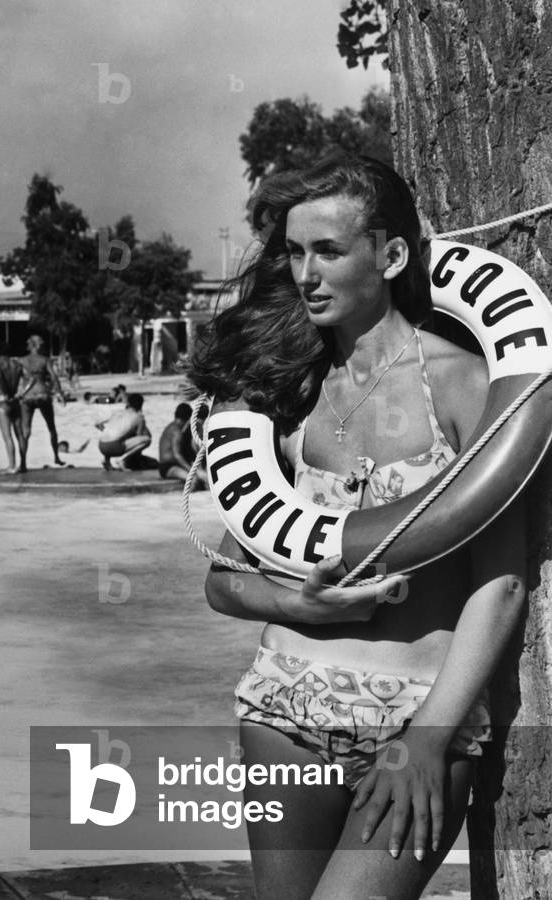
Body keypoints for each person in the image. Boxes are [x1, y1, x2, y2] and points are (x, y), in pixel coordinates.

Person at [185, 153, 525, 900]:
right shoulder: (289, 392)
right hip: (282, 705)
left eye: (328, 251)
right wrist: (292, 604)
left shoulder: (462, 384)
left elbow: (499, 586)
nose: (304, 273)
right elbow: (224, 581)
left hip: (416, 715)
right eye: (295, 252)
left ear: (389, 254)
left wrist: (431, 738)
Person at [19, 334, 66, 469]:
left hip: (27, 396)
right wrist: (60, 393)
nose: (43, 345)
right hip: (42, 394)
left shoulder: (22, 361)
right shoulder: (44, 360)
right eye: (41, 343)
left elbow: (18, 378)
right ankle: (56, 457)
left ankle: (22, 463)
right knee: (51, 427)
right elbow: (54, 377)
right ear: (37, 345)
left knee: (25, 430)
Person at [0, 341, 30, 473]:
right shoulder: (17, 364)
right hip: (15, 401)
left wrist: (5, 393)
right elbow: (31, 379)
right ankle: (23, 465)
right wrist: (21, 393)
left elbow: (0, 378)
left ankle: (12, 466)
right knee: (20, 435)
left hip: (3, 400)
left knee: (8, 437)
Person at [96, 392, 157, 470]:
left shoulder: (117, 412)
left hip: (101, 446)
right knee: (147, 440)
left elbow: (97, 423)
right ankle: (122, 460)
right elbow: (139, 436)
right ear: (140, 405)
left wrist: (105, 431)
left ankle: (106, 460)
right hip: (114, 447)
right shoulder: (139, 417)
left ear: (128, 403)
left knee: (114, 435)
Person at [158, 402, 207, 487]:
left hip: (170, 464)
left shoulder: (171, 426)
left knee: (199, 477)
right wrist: (191, 469)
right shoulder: (177, 432)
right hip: (168, 467)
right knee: (194, 480)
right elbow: (177, 455)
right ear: (187, 418)